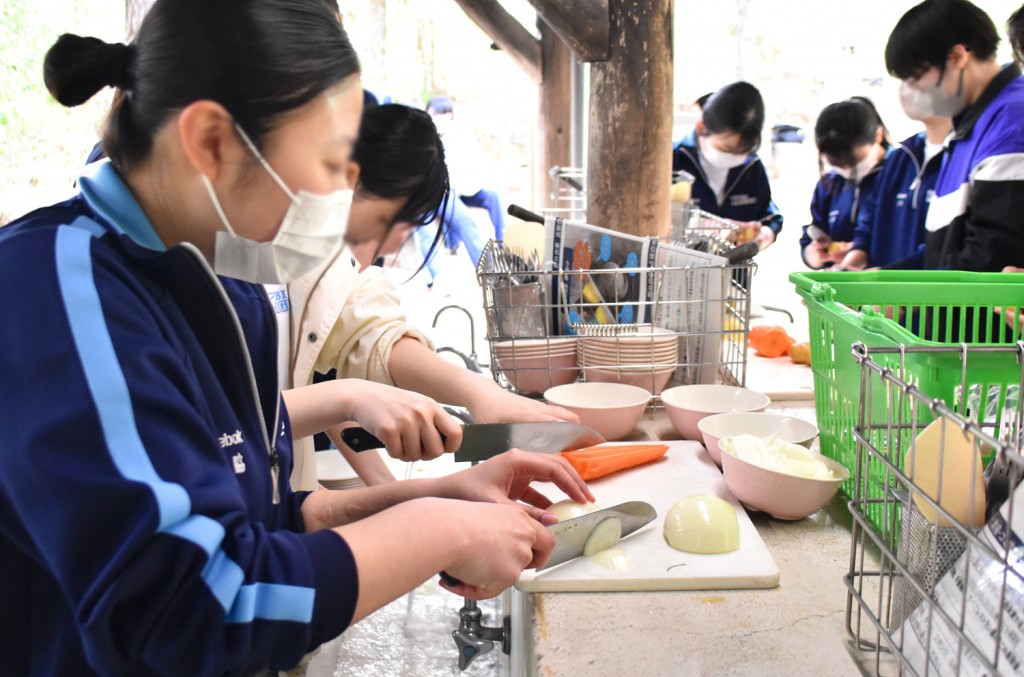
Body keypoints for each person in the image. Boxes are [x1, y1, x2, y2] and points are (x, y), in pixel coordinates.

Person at [0, 2, 593, 673]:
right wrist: (444, 530)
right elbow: (193, 607)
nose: (345, 191)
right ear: (213, 142)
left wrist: (431, 497)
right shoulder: (55, 291)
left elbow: (258, 521)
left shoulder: (233, 284)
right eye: (331, 157)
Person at [288, 103, 577, 490]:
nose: (387, 244)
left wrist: (480, 393)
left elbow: (359, 337)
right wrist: (351, 398)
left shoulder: (313, 262)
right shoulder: (268, 258)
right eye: (389, 222)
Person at [886, 0, 1024, 272]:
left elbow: (992, 254)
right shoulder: (966, 129)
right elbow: (944, 247)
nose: (912, 91)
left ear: (957, 57)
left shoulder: (1012, 119)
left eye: (915, 78)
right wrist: (881, 281)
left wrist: (904, 298)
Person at [836, 101, 951, 271]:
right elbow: (868, 221)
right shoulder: (900, 157)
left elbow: (951, 244)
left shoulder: (964, 154)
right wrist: (853, 260)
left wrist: (885, 276)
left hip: (934, 292)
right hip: (880, 292)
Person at [671, 81, 783, 250]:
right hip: (679, 270)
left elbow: (768, 216)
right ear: (702, 127)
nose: (735, 157)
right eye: (727, 148)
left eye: (744, 150)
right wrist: (705, 225)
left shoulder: (751, 166)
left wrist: (765, 234)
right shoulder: (674, 160)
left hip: (735, 272)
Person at [414, 94, 503, 285]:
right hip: (429, 194)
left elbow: (472, 169)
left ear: (450, 116)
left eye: (444, 115)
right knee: (428, 229)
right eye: (435, 115)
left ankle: (491, 271)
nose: (439, 119)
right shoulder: (420, 135)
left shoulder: (458, 136)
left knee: (470, 220)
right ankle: (437, 277)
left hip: (454, 191)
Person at [800, 97, 890, 269]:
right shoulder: (830, 183)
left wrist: (860, 253)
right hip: (836, 286)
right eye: (835, 163)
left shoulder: (900, 176)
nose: (846, 169)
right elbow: (812, 232)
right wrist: (814, 255)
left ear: (878, 136)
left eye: (853, 161)